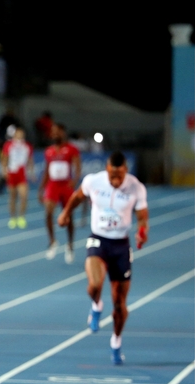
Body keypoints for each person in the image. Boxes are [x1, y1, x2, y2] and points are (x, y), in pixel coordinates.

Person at [57, 151, 148, 364]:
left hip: (121, 246)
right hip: (98, 239)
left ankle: (116, 341)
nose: (115, 180)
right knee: (94, 285)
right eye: (112, 176)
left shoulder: (136, 187)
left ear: (126, 171)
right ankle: (96, 305)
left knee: (119, 304)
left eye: (119, 176)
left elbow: (142, 217)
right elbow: (77, 197)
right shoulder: (93, 181)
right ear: (107, 170)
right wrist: (66, 213)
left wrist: (142, 233)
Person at [38, 123, 81, 263]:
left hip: (65, 185)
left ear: (63, 133)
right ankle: (52, 241)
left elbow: (77, 167)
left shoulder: (71, 149)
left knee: (68, 216)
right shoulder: (49, 151)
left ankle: (70, 245)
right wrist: (41, 188)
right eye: (53, 132)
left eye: (57, 132)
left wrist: (74, 180)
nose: (54, 134)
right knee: (48, 212)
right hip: (52, 185)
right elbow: (46, 170)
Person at [1, 126, 34, 229]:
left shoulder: (27, 146)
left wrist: (31, 172)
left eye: (21, 134)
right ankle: (12, 218)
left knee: (24, 196)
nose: (20, 135)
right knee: (12, 197)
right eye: (18, 134)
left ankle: (21, 217)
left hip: (22, 174)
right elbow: (4, 158)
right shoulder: (8, 145)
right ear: (14, 135)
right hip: (12, 173)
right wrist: (4, 170)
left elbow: (30, 160)